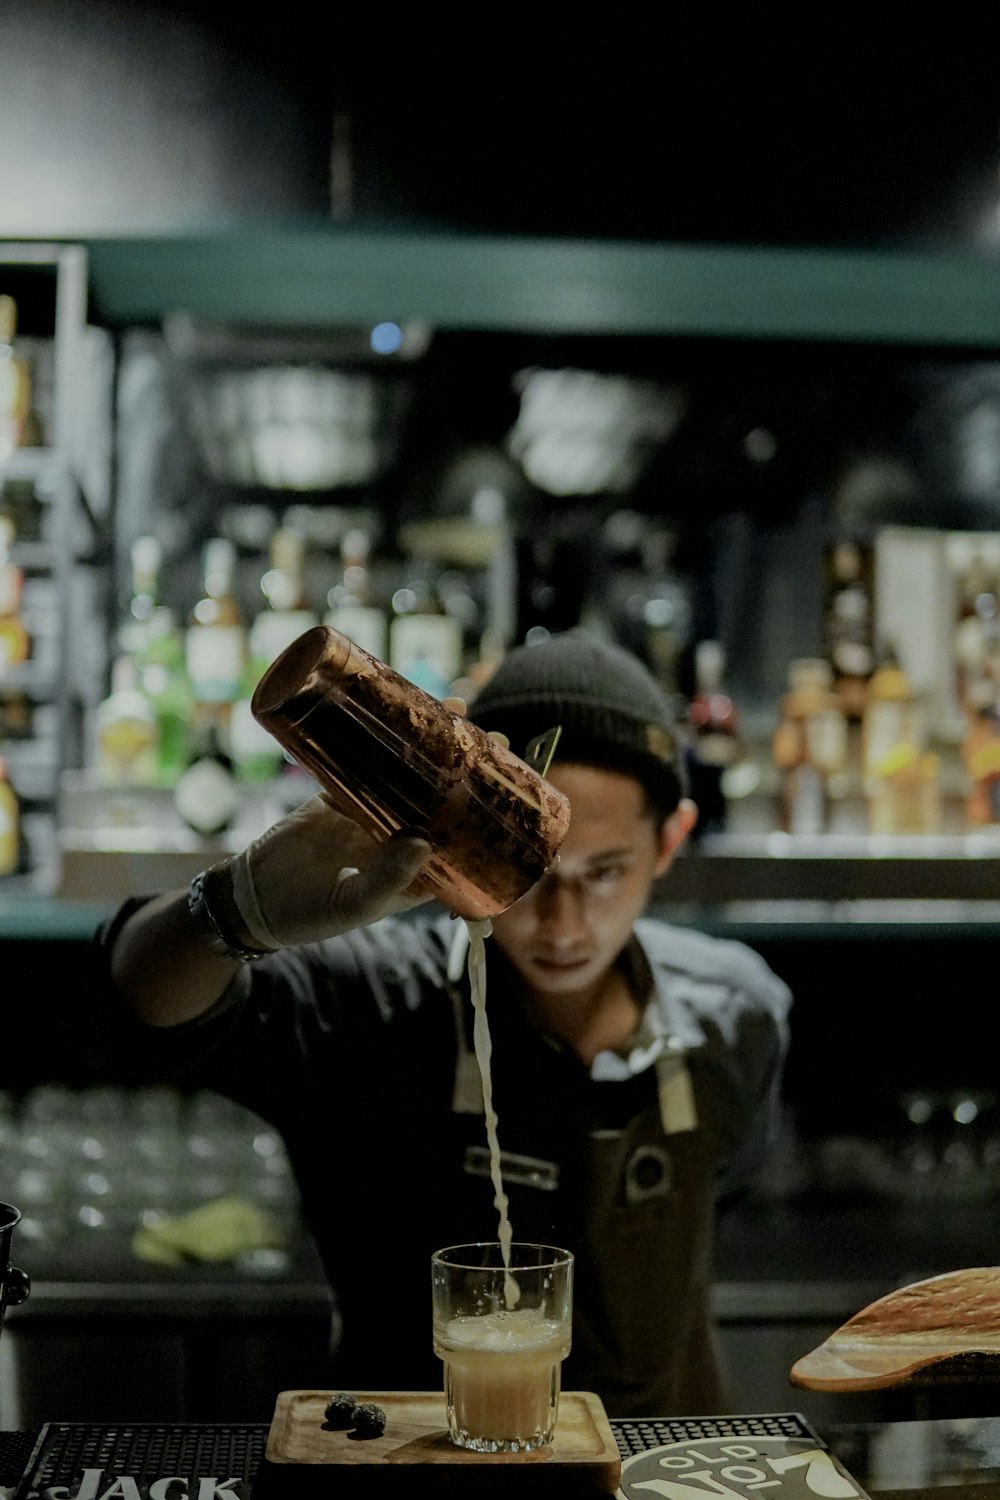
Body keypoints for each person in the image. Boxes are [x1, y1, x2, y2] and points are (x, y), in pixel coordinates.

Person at [81, 628, 791, 1418]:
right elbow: (134, 999)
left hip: (656, 1475)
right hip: (408, 1479)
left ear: (669, 843)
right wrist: (238, 906)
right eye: (532, 870)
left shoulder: (735, 1016)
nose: (562, 922)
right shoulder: (370, 1003)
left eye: (605, 873)